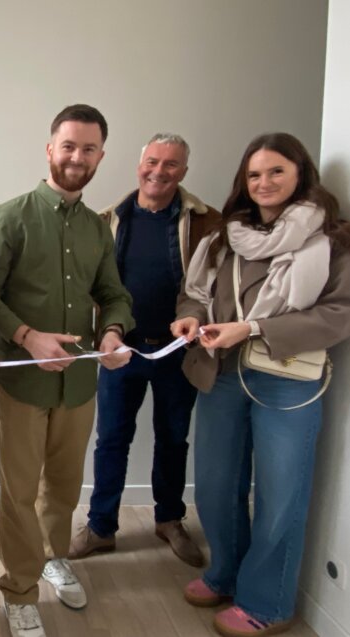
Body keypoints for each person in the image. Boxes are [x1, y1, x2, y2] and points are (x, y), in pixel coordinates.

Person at [170, 132, 350, 637]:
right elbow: (193, 295)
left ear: (301, 176)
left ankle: (267, 603)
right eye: (254, 174)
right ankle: (225, 574)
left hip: (288, 381)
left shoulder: (331, 242)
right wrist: (190, 320)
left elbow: (339, 314)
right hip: (221, 372)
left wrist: (254, 329)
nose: (264, 182)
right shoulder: (224, 237)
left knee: (279, 495)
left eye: (276, 172)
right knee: (216, 484)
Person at [0, 104, 134, 637]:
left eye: (88, 149)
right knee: (18, 491)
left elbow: (113, 295)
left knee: (62, 486)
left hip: (80, 385)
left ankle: (53, 557)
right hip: (22, 381)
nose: (77, 157)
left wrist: (112, 332)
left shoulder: (97, 228)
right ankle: (19, 592)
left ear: (100, 157)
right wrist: (26, 336)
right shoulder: (11, 216)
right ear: (49, 149)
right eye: (68, 146)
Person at [69, 133, 220, 567]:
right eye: (152, 161)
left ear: (184, 173)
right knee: (111, 440)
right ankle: (101, 527)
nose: (159, 170)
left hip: (178, 353)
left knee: (173, 439)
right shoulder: (107, 220)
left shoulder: (208, 221)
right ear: (139, 165)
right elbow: (92, 289)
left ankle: (169, 520)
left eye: (171, 164)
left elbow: (213, 288)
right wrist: (101, 337)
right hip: (121, 351)